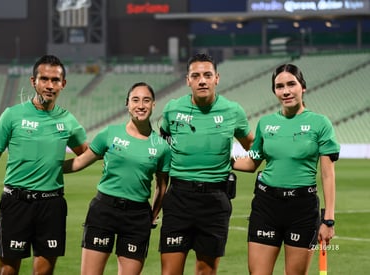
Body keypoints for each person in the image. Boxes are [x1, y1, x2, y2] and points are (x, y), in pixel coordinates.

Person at [0, 54, 88, 275]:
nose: (49, 85)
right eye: (44, 79)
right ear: (33, 81)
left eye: (55, 80)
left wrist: (58, 166)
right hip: (16, 203)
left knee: (43, 273)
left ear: (63, 84)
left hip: (51, 205)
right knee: (8, 272)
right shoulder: (12, 116)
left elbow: (85, 154)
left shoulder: (68, 121)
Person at [232, 63, 340, 275]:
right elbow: (252, 161)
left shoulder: (320, 124)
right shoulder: (266, 123)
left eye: (291, 84)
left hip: (302, 209)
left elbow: (328, 175)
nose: (286, 91)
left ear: (303, 87)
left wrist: (328, 220)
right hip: (266, 206)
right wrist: (222, 160)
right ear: (274, 91)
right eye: (279, 86)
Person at [159, 53, 254, 274]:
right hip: (179, 198)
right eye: (196, 75)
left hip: (215, 201)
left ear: (216, 78)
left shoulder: (233, 111)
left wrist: (239, 163)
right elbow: (163, 148)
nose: (202, 80)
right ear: (188, 80)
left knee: (206, 271)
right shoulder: (172, 109)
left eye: (207, 75)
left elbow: (253, 147)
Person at [62, 82, 171, 275]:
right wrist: (48, 166)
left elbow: (162, 186)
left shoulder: (161, 146)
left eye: (146, 100)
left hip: (137, 217)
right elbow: (78, 163)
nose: (141, 105)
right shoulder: (109, 134)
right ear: (127, 104)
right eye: (135, 100)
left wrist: (153, 214)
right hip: (103, 211)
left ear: (154, 105)